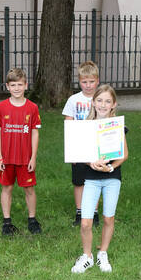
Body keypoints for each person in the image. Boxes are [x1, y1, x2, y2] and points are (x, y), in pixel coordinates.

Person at [71, 85, 128, 273]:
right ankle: (87, 256)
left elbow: (124, 155)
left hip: (112, 178)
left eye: (107, 101)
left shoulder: (117, 126)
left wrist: (110, 166)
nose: (103, 104)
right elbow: (79, 153)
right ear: (93, 102)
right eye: (100, 100)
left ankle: (103, 253)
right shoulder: (85, 127)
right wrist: (91, 163)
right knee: (86, 221)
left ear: (113, 105)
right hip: (91, 178)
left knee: (108, 218)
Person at [0, 68, 42, 236]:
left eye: (19, 85)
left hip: (25, 158)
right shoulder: (1, 107)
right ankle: (7, 222)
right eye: (13, 85)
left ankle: (32, 219)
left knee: (29, 189)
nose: (16, 88)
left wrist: (33, 157)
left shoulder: (32, 108)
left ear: (26, 85)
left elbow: (35, 132)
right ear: (7, 86)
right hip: (6, 158)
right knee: (7, 188)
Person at [62, 61, 100, 227]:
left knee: (96, 179)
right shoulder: (73, 100)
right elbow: (68, 125)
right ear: (79, 81)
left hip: (97, 147)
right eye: (84, 82)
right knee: (79, 182)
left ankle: (94, 212)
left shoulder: (102, 98)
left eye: (91, 81)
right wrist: (71, 151)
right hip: (79, 147)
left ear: (97, 81)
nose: (88, 85)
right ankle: (80, 212)